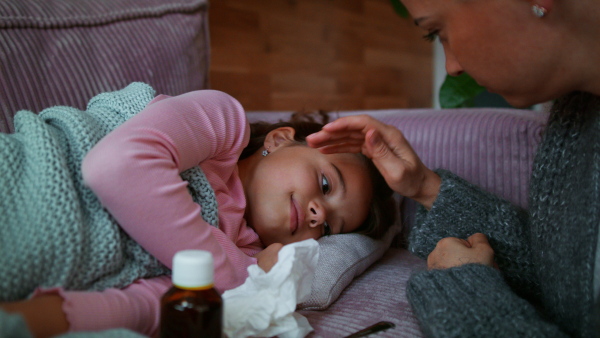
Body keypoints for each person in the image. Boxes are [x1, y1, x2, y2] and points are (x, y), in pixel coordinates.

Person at [0, 85, 395, 337]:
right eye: (325, 185)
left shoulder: (240, 256)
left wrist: (28, 320)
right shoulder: (221, 125)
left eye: (327, 228)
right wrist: (240, 277)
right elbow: (118, 164)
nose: (315, 214)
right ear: (279, 140)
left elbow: (145, 309)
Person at [306, 0, 600, 336]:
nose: (452, 68)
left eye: (437, 31)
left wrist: (464, 288)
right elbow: (565, 275)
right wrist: (425, 187)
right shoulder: (576, 118)